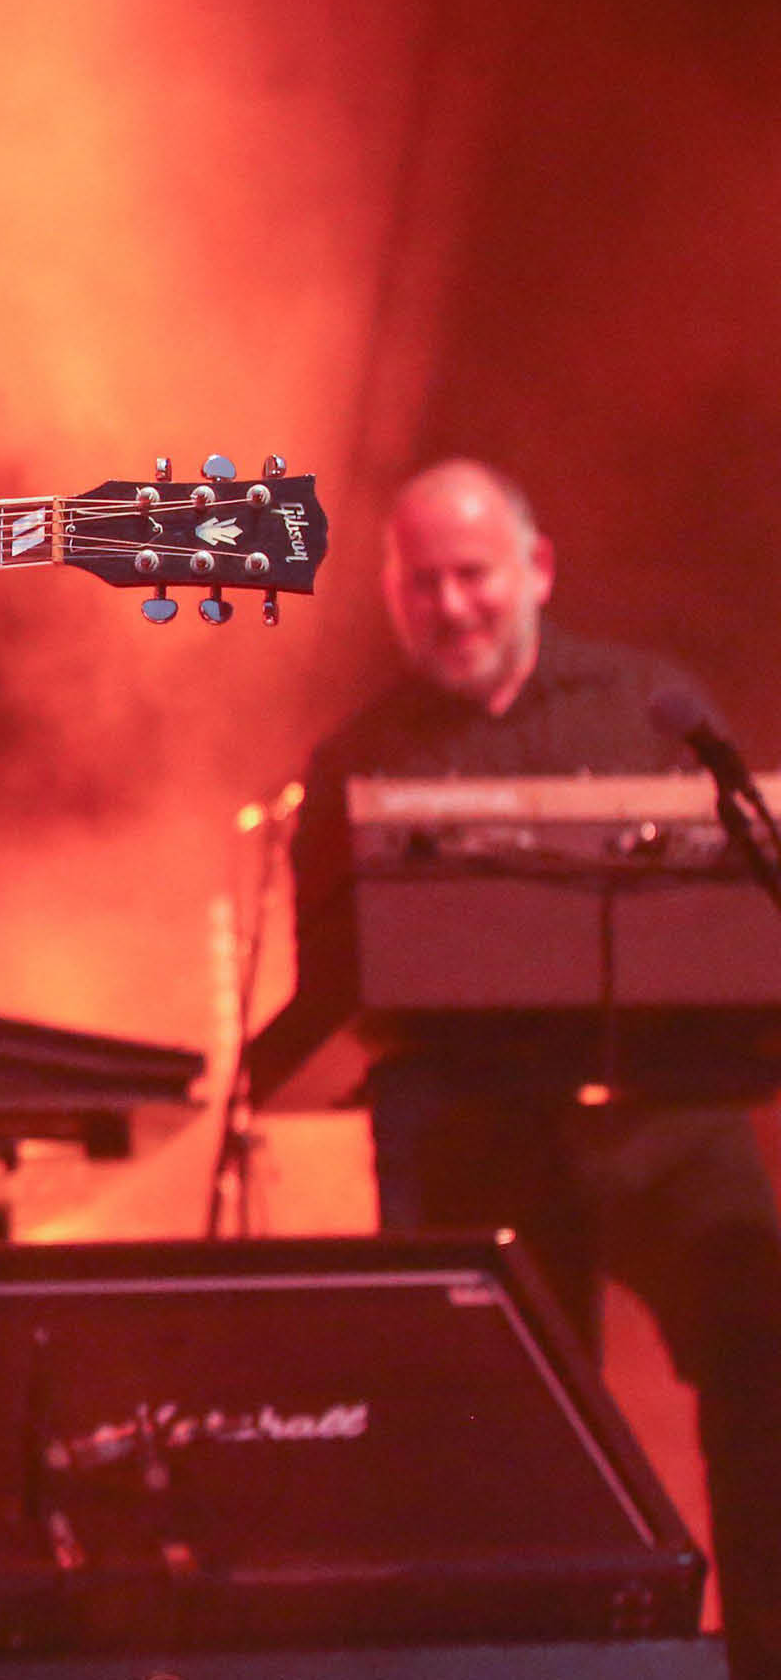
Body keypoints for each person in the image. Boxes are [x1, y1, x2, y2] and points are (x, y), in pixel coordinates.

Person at [292, 458, 781, 1679]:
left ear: (535, 570)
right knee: (501, 1416)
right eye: (423, 584)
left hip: (667, 1110)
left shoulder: (651, 704)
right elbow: (327, 996)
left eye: (473, 576)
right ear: (388, 594)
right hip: (474, 1126)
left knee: (762, 1344)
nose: (452, 606)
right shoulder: (353, 756)